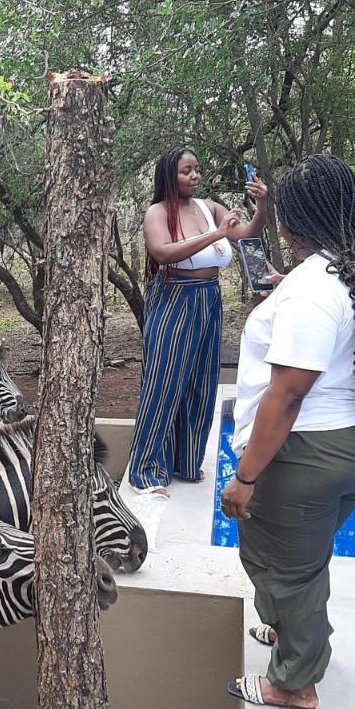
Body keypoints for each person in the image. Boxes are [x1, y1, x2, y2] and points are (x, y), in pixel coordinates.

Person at [221, 154, 355, 709]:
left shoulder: (313, 291)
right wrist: (287, 289)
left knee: (287, 568)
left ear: (294, 222)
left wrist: (245, 477)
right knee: (301, 553)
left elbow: (286, 396)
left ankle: (293, 683)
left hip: (308, 452)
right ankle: (288, 633)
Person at [128, 147, 268, 496]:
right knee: (164, 382)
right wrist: (216, 234)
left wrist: (263, 205)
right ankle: (145, 470)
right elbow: (162, 252)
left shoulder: (210, 208)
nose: (195, 176)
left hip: (208, 298)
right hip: (173, 298)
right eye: (186, 171)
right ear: (168, 176)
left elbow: (247, 234)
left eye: (197, 169)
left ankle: (185, 462)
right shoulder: (157, 212)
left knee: (201, 383)